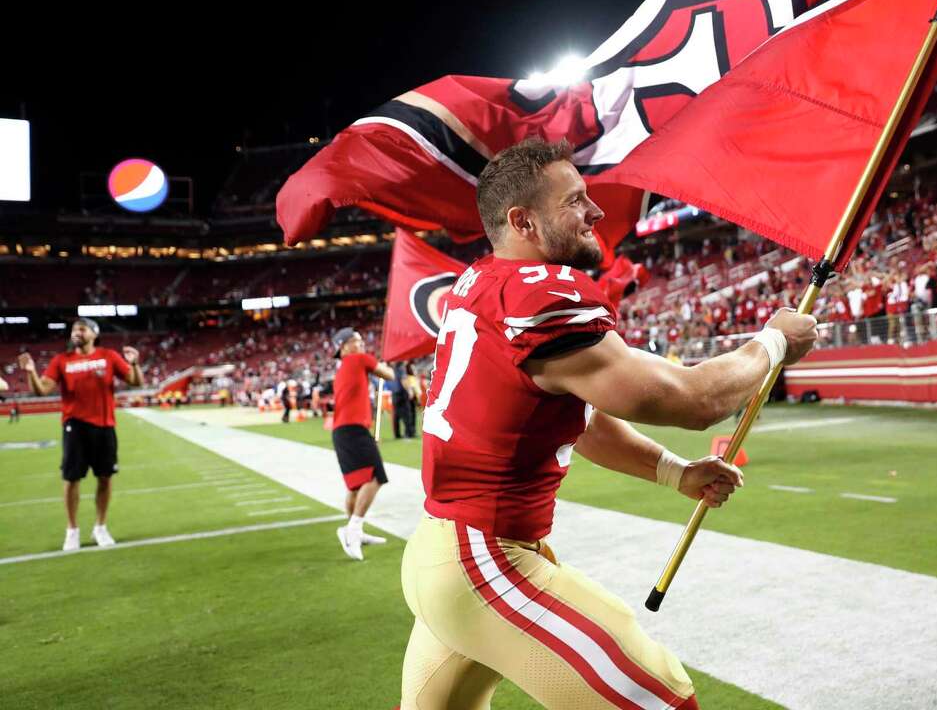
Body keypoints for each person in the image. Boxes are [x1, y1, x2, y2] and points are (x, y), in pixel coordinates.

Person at [398, 137, 817, 710]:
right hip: (484, 562)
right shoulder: (538, 293)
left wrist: (675, 474)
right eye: (575, 200)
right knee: (663, 698)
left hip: (444, 553)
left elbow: (581, 421)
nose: (594, 212)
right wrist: (773, 343)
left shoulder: (482, 284)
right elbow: (691, 401)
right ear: (523, 221)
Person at [17, 318, 143, 550]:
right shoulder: (61, 360)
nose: (76, 332)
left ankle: (100, 527)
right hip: (75, 426)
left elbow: (136, 382)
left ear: (94, 334)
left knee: (105, 477)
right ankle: (72, 530)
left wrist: (134, 364)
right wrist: (31, 372)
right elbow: (42, 389)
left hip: (105, 425)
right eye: (74, 329)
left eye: (81, 329)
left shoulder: (108, 356)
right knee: (71, 478)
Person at [330, 327, 396, 560]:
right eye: (357, 341)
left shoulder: (342, 369)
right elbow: (389, 375)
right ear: (344, 346)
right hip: (353, 429)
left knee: (355, 486)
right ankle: (352, 531)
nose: (362, 344)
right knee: (375, 478)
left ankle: (353, 529)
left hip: (341, 431)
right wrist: (386, 363)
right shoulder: (357, 359)